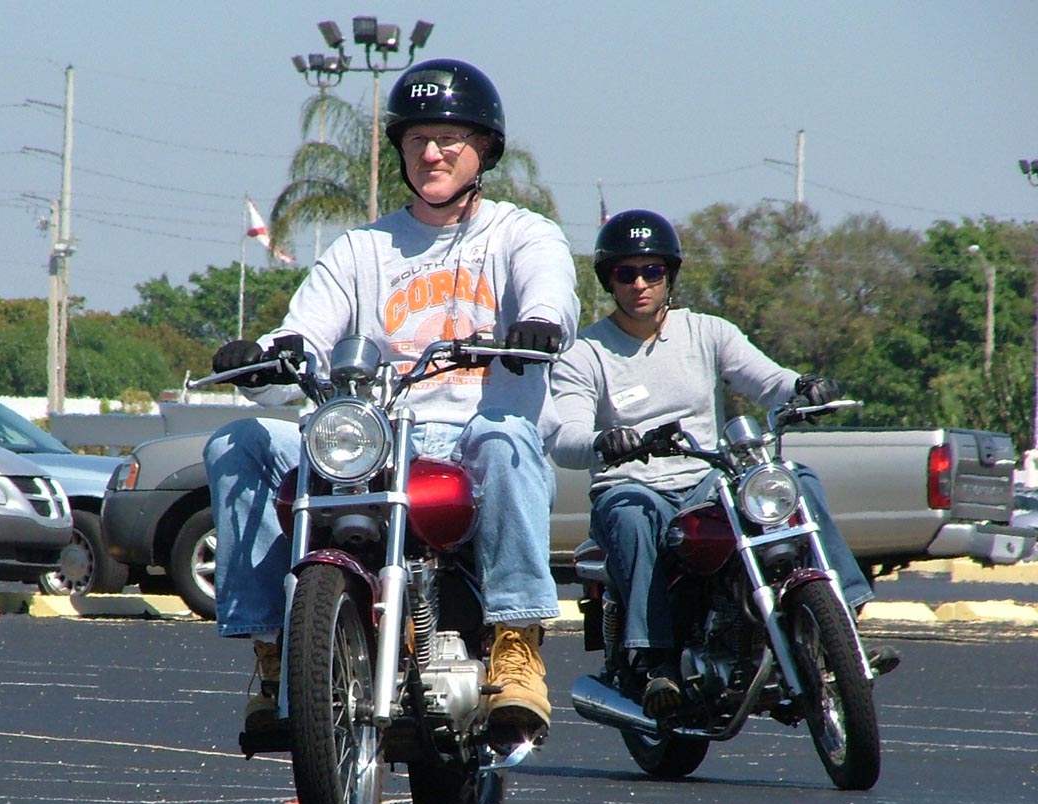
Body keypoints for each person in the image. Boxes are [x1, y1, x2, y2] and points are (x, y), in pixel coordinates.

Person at [203, 59, 579, 746]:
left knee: (509, 438)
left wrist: (540, 324)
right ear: (400, 151)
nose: (432, 153)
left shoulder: (521, 234)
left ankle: (516, 647)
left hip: (469, 438)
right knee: (239, 442)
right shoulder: (361, 250)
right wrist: (261, 357)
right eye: (417, 140)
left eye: (449, 139)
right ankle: (274, 650)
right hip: (369, 439)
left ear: (484, 149)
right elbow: (304, 333)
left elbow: (550, 291)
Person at [550, 208, 896, 718]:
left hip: (706, 479)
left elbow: (768, 380)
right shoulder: (586, 353)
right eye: (626, 272)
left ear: (670, 275)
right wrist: (606, 441)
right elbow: (565, 436)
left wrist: (803, 387)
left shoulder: (707, 332)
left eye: (652, 271)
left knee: (793, 481)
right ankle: (654, 662)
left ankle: (842, 621)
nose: (640, 283)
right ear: (609, 280)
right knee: (633, 516)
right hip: (633, 484)